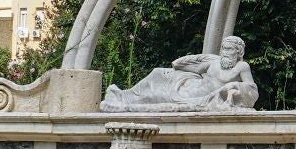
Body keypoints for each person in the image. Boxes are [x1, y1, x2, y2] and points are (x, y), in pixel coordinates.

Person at [101, 35, 259, 112]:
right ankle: (122, 96)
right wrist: (181, 64)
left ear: (239, 52)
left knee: (156, 96)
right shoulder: (213, 62)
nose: (225, 52)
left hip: (197, 98)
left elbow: (252, 91)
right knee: (158, 74)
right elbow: (183, 65)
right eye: (223, 48)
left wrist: (235, 86)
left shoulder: (242, 67)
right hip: (188, 86)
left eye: (229, 49)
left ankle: (123, 104)